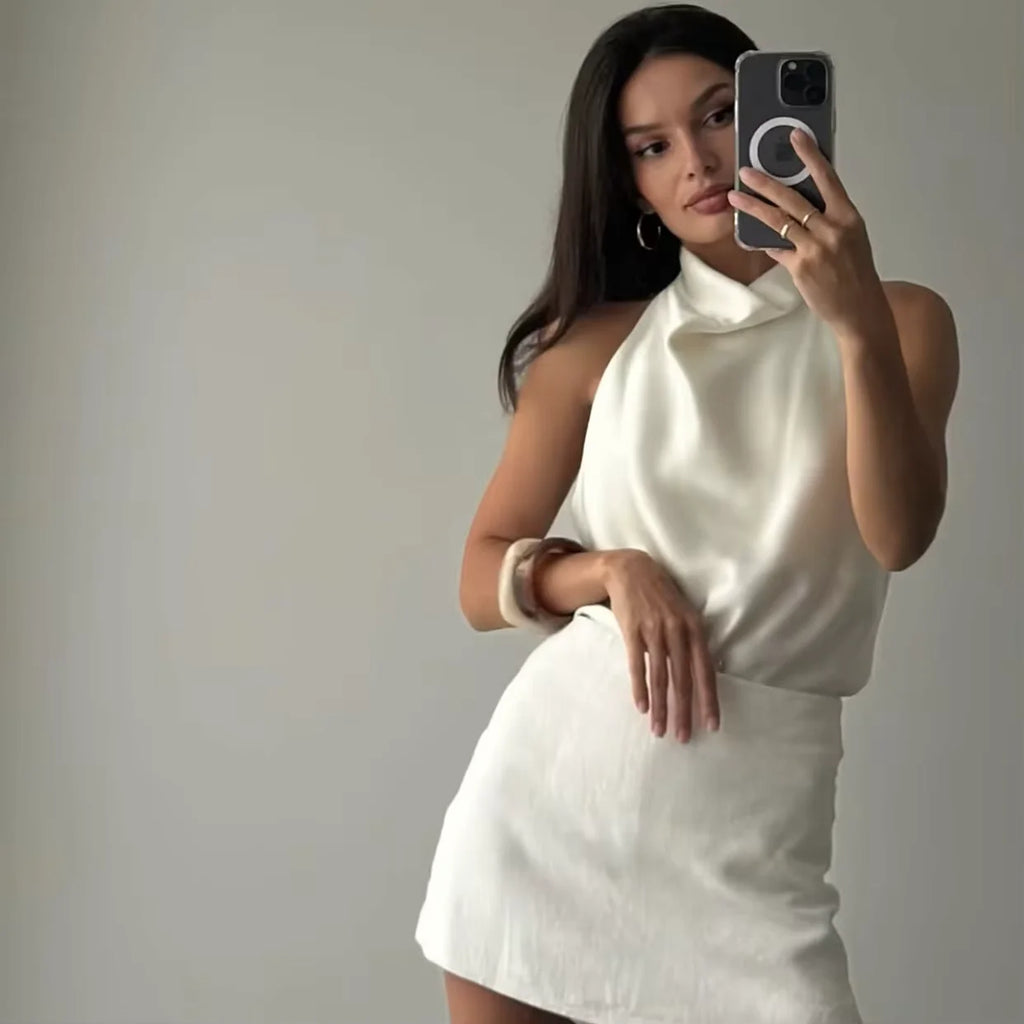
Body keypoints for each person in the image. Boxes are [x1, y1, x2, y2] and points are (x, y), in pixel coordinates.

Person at [414, 5, 960, 1024]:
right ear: (628, 184)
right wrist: (608, 571)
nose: (698, 162)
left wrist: (851, 325)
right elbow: (477, 577)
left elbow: (898, 533)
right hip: (549, 821)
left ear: (774, 117)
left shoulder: (904, 319)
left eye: (717, 115)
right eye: (651, 147)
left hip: (755, 844)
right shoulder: (591, 349)